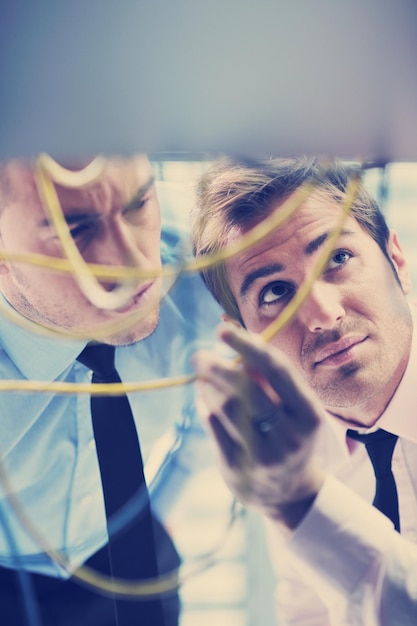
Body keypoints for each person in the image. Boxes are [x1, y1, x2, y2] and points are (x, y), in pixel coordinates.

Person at [191, 155, 417, 625]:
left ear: (397, 260)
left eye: (338, 258)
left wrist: (301, 502)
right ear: (245, 335)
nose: (322, 314)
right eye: (274, 292)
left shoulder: (293, 484)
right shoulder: (294, 454)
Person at [0, 154, 222, 625]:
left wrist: (161, 510)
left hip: (138, 557)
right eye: (76, 231)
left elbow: (225, 389)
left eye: (138, 204)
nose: (133, 264)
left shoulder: (202, 265)